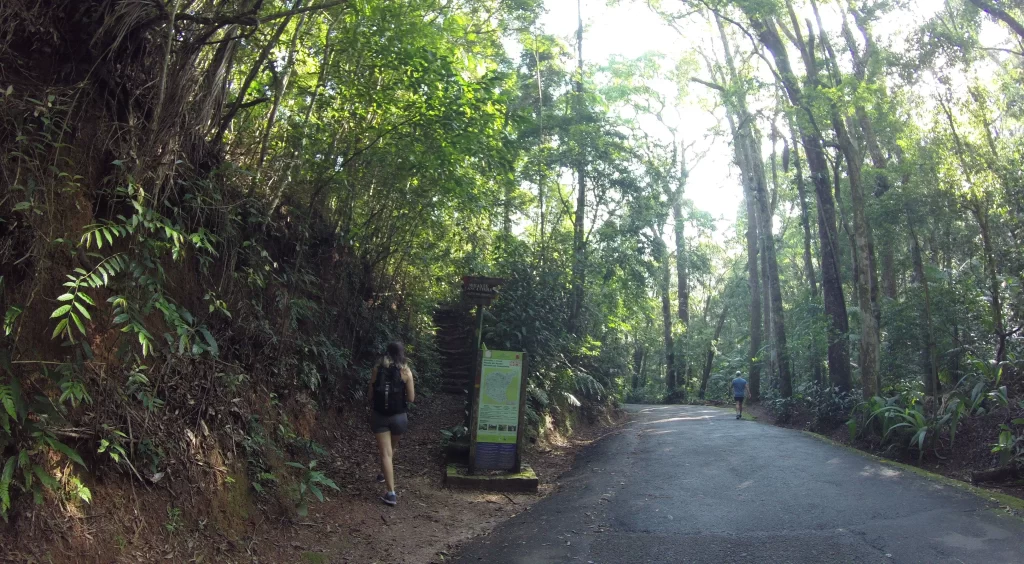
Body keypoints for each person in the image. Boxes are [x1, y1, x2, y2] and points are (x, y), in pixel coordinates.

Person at [368, 341, 415, 506]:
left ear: (386, 352)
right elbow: (411, 398)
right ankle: (383, 474)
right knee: (391, 450)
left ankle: (391, 493)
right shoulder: (406, 371)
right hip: (399, 418)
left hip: (380, 416)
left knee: (386, 454)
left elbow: (370, 394)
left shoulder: (377, 369)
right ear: (401, 353)